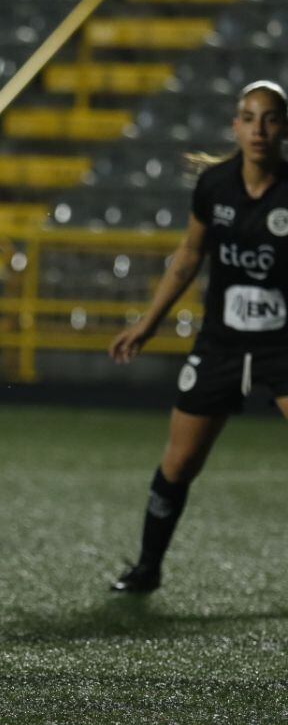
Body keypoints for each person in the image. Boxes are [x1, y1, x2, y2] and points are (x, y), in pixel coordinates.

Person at [108, 80, 288, 593]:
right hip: (222, 344)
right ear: (235, 126)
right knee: (180, 461)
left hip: (283, 345)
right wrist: (147, 323)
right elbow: (189, 256)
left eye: (271, 118)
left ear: (285, 127)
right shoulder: (215, 186)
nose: (259, 129)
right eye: (249, 118)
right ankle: (147, 567)